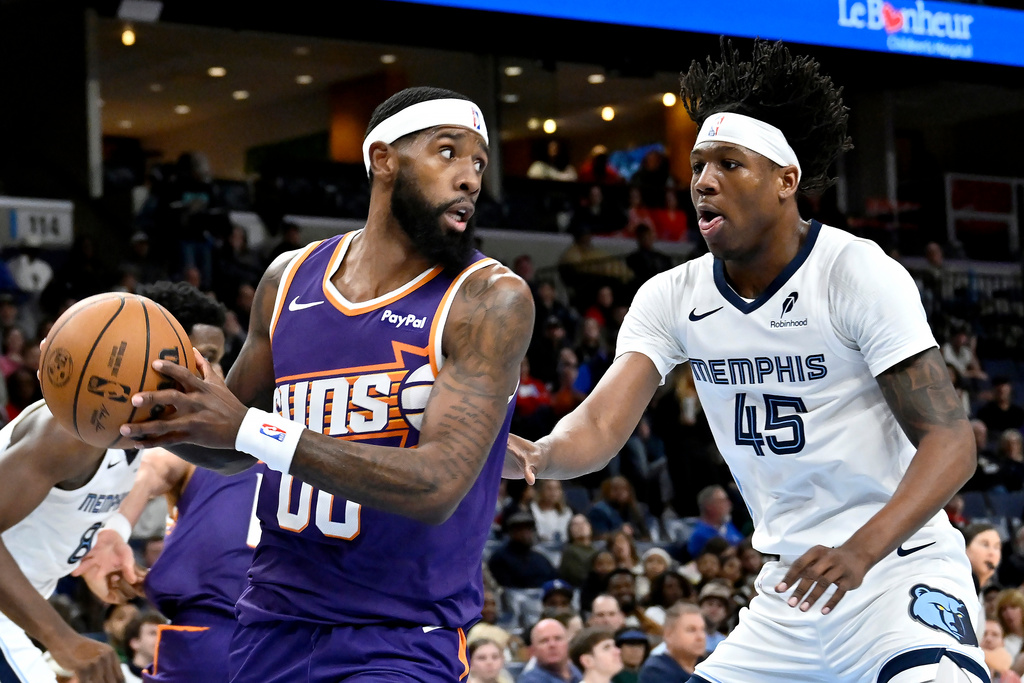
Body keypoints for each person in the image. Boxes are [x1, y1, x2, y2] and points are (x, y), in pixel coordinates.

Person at [509, 39, 987, 681]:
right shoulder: (672, 296)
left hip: (895, 571)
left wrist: (860, 551)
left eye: (730, 164)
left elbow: (952, 441)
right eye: (700, 165)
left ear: (787, 180)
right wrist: (541, 455)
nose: (704, 182)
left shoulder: (854, 272)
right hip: (790, 593)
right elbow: (597, 429)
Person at [116, 87, 535, 682]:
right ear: (384, 159)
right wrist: (129, 417)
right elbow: (227, 446)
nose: (470, 179)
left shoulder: (487, 299)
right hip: (269, 626)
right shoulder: (287, 280)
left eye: (478, 164)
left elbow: (437, 487)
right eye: (449, 153)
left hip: (398, 639)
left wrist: (249, 427)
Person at [0, 278, 236, 683]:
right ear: (155, 358)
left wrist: (94, 548)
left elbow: (233, 460)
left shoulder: (130, 432)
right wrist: (61, 638)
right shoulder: (70, 434)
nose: (213, 375)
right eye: (205, 358)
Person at [78, 281, 247, 683]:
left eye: (220, 359)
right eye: (206, 357)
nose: (217, 373)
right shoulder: (185, 447)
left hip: (291, 639)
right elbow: (153, 470)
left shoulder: (264, 429)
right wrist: (116, 530)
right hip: (208, 643)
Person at [636, 604, 705, 682]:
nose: (701, 637)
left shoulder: (709, 666)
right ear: (669, 635)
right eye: (691, 630)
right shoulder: (655, 671)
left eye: (702, 629)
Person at [685, 485, 744, 559]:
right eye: (723, 500)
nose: (729, 504)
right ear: (709, 506)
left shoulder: (727, 525)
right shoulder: (699, 535)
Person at [519, 618, 583, 683]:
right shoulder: (530, 680)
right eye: (544, 641)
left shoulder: (577, 672)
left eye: (558, 639)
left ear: (567, 644)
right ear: (533, 650)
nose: (552, 645)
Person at [120, 611, 166, 683]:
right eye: (153, 633)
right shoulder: (119, 674)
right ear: (134, 642)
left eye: (162, 633)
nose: (160, 638)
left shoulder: (171, 677)